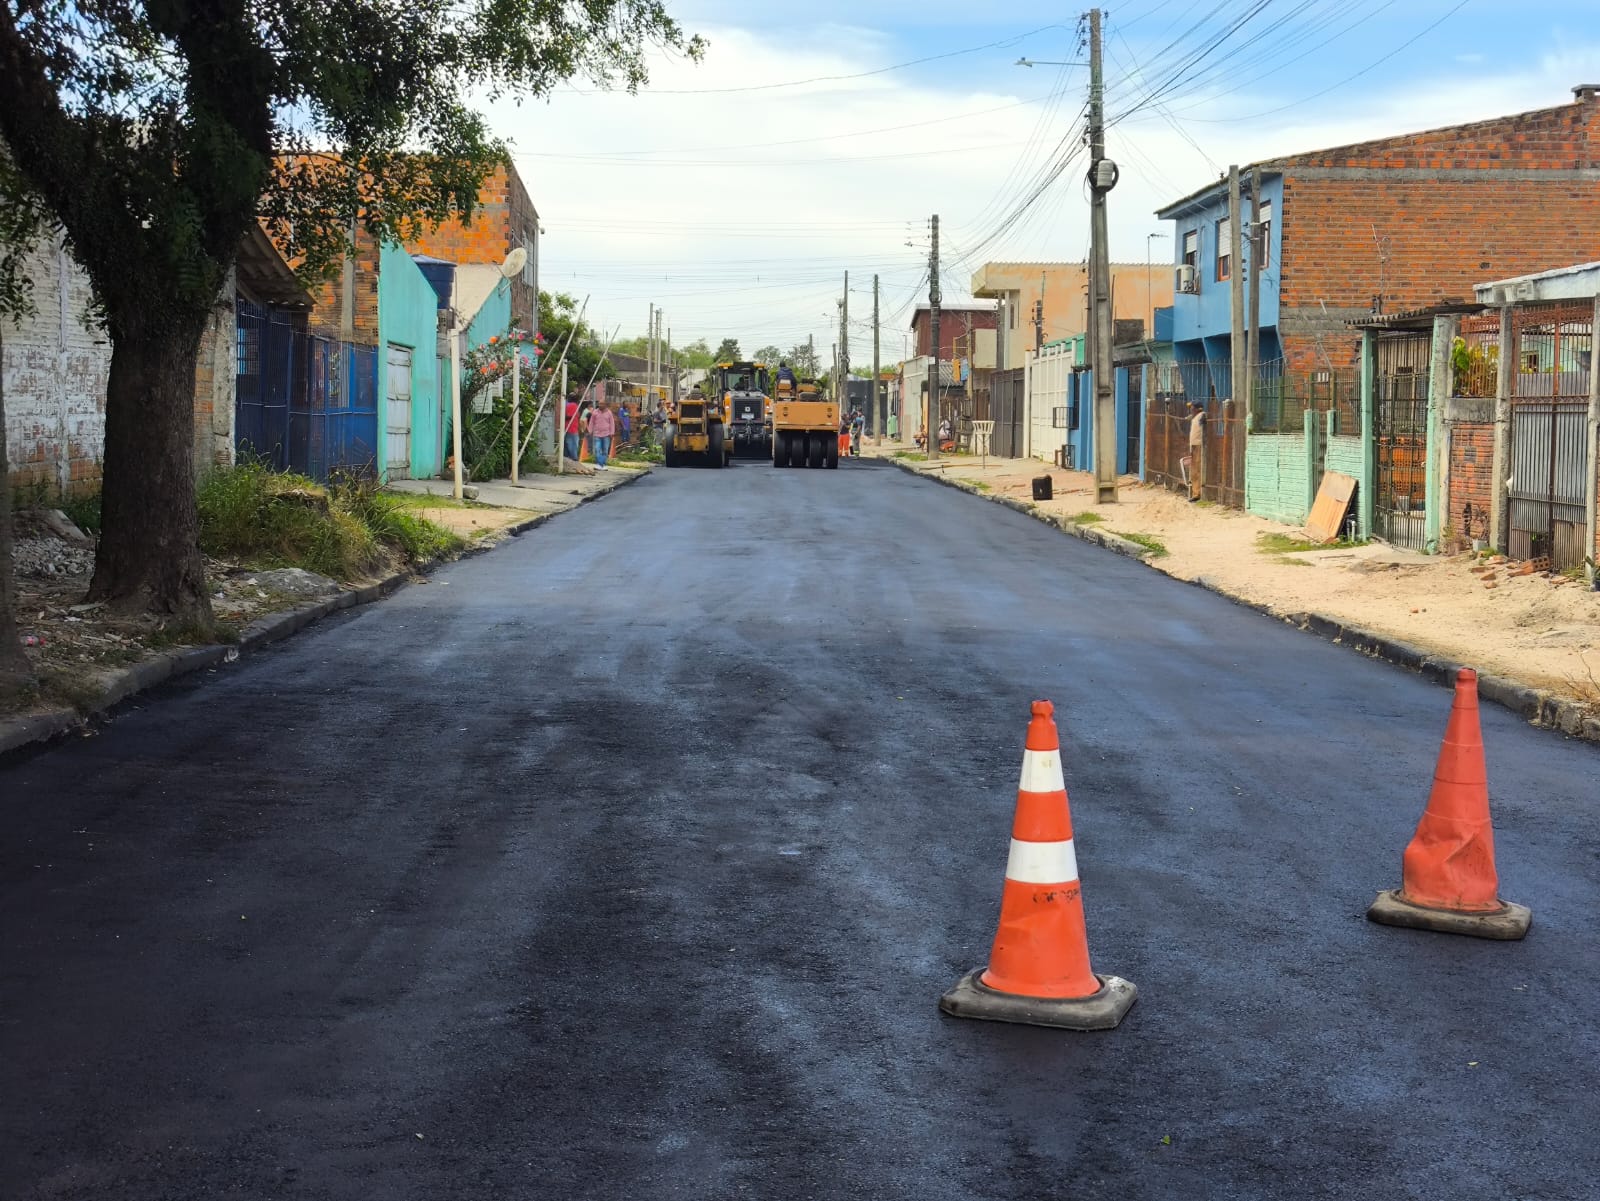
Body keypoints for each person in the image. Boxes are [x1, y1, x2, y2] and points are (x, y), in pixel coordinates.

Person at [587, 396, 617, 469]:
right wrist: (590, 430)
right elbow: (591, 422)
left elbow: (612, 423)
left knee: (605, 450)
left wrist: (612, 432)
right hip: (597, 434)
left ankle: (602, 464)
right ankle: (599, 464)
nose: (600, 405)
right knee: (597, 449)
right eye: (599, 404)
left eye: (602, 404)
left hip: (606, 434)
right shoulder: (595, 412)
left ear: (605, 405)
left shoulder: (609, 413)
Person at [1185, 401, 1205, 501]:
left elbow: (1205, 417)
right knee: (1194, 470)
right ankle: (1195, 492)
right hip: (1194, 446)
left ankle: (1197, 494)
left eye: (1192, 408)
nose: (1190, 410)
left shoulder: (1202, 415)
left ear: (1197, 409)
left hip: (1198, 445)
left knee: (1196, 470)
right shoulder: (1195, 417)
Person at [562, 392, 582, 463]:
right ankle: (574, 459)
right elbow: (569, 416)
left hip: (569, 428)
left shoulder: (570, 405)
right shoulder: (573, 405)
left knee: (567, 444)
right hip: (571, 428)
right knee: (572, 444)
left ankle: (567, 459)